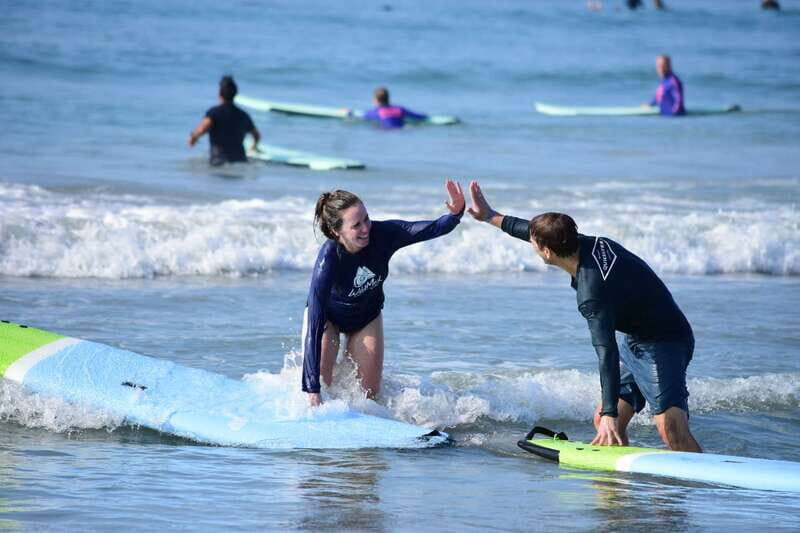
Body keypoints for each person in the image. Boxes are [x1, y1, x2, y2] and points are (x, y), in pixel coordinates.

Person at [466, 181, 701, 452]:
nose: (531, 243)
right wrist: (489, 216)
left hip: (666, 340)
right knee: (602, 421)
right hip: (637, 339)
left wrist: (611, 412)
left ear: (546, 251)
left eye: (534, 243)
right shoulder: (587, 243)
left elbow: (606, 351)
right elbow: (533, 231)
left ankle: (707, 474)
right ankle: (621, 474)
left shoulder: (591, 294)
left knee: (670, 429)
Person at [302, 180, 465, 406]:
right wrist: (312, 388)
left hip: (366, 317)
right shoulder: (328, 259)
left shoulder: (384, 234)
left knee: (368, 396)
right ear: (335, 231)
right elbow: (315, 321)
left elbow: (433, 228)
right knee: (322, 383)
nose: (365, 228)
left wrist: (456, 214)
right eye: (356, 225)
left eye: (366, 219)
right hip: (327, 320)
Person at [188, 75, 260, 166]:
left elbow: (202, 129)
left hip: (219, 161)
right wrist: (254, 146)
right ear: (235, 94)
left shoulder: (214, 113)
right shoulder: (244, 115)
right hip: (240, 159)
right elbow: (257, 135)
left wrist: (193, 137)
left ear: (219, 94)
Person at [356, 86, 428, 129]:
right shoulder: (400, 109)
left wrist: (350, 112)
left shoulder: (376, 112)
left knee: (374, 127)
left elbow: (361, 115)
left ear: (375, 100)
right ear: (388, 98)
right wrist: (425, 116)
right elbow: (418, 116)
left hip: (386, 130)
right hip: (401, 129)